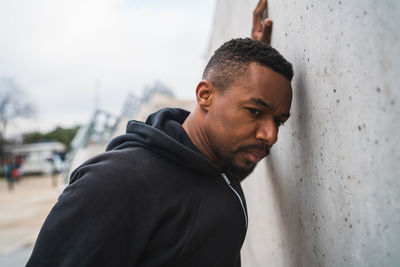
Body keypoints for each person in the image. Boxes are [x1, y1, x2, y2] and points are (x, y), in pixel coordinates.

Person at [27, 1, 293, 266]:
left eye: (279, 121)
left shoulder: (219, 167)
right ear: (205, 96)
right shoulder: (115, 183)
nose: (271, 135)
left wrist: (256, 68)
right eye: (255, 111)